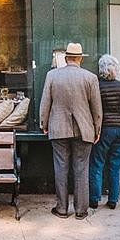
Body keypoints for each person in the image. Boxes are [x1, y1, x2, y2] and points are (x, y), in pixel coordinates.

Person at [39, 42, 102, 220]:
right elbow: (97, 108)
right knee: (81, 169)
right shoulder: (90, 78)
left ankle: (62, 209)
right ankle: (81, 210)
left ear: (66, 58)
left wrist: (44, 124)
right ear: (81, 59)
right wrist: (97, 129)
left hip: (58, 128)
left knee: (61, 169)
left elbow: (45, 103)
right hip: (84, 130)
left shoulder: (52, 75)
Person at [88, 54, 120, 210]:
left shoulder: (97, 86)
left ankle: (94, 199)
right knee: (115, 166)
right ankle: (113, 200)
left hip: (104, 129)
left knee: (97, 164)